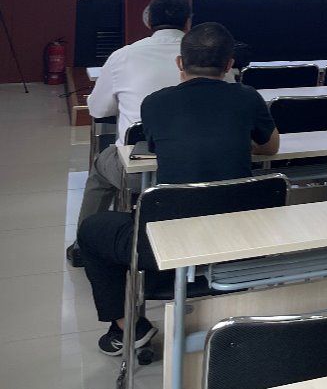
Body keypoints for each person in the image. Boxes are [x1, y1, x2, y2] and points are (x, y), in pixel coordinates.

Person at [76, 22, 280, 355]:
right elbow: (270, 148)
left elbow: (159, 147)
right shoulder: (248, 97)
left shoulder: (155, 104)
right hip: (241, 235)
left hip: (168, 241)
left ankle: (128, 327)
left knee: (91, 230)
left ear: (180, 63)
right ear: (230, 65)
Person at [68, 0, 191, 267]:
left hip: (140, 171)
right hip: (201, 168)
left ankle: (83, 245)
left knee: (100, 168)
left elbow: (98, 110)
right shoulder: (208, 58)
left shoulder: (123, 56)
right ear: (188, 22)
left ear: (147, 21)